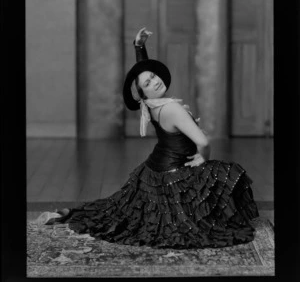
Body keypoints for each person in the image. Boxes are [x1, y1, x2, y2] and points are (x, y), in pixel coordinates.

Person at [35, 27, 259, 249]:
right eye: (148, 84)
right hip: (174, 174)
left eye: (154, 77)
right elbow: (204, 142)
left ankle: (62, 215)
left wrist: (139, 47)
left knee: (118, 209)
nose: (155, 82)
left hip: (153, 170)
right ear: (143, 94)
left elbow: (141, 76)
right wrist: (203, 159)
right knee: (229, 174)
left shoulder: (150, 104)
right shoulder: (171, 108)